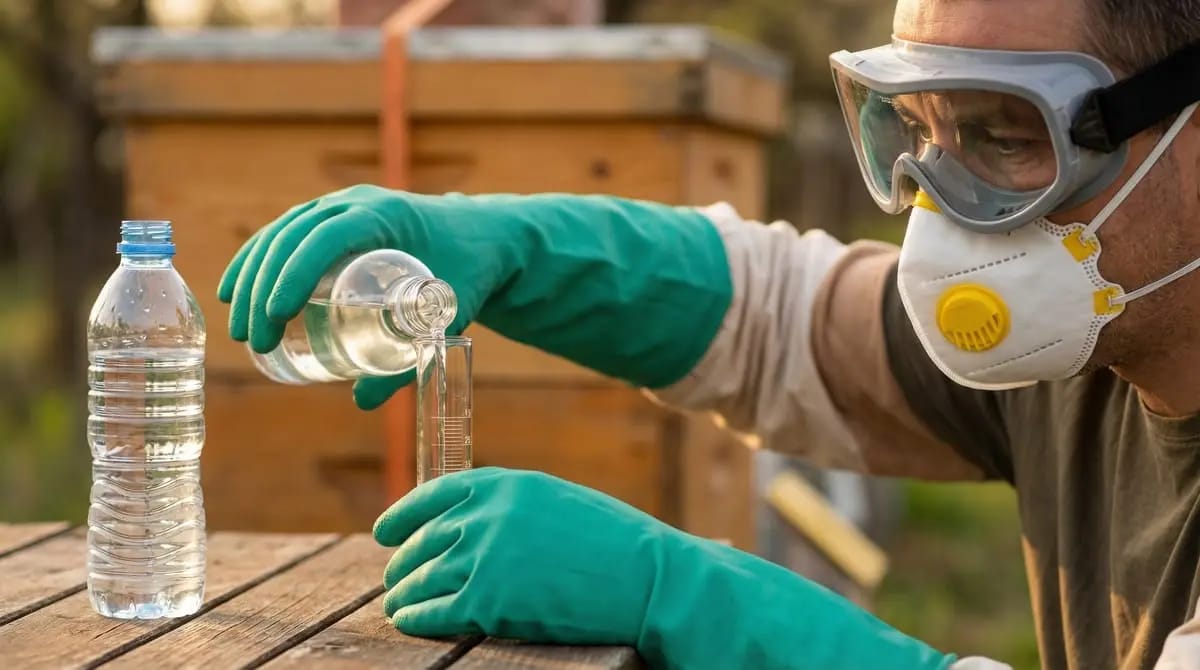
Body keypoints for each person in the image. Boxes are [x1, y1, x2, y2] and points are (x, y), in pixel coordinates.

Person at [217, 0, 1200, 668]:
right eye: (921, 130)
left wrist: (688, 598)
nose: (942, 205)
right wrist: (511, 244)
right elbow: (783, 321)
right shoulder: (1096, 341)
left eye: (1006, 134)